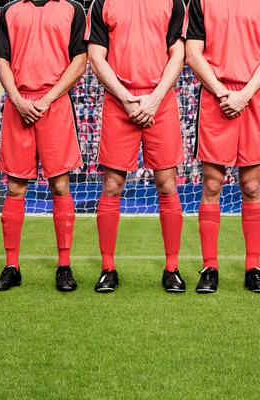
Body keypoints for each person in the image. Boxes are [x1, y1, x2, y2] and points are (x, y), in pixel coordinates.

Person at [86, 0, 186, 293]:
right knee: (112, 185)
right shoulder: (102, 3)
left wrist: (154, 97)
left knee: (167, 184)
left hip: (161, 101)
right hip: (119, 102)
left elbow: (177, 52)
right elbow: (95, 55)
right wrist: (125, 97)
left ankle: (172, 268)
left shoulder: (173, 2)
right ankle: (108, 268)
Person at [0, 0, 87, 292]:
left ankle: (64, 266)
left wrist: (46, 99)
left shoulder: (73, 8)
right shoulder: (10, 9)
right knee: (15, 187)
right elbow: (1, 59)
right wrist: (18, 99)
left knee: (60, 185)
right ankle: (12, 267)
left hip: (55, 105)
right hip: (17, 106)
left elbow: (80, 61)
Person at [185, 0, 260, 293]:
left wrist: (245, 94)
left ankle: (253, 267)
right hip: (217, 98)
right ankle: (209, 266)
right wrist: (222, 91)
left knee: (251, 186)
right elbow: (192, 53)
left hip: (252, 98)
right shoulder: (201, 3)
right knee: (212, 185)